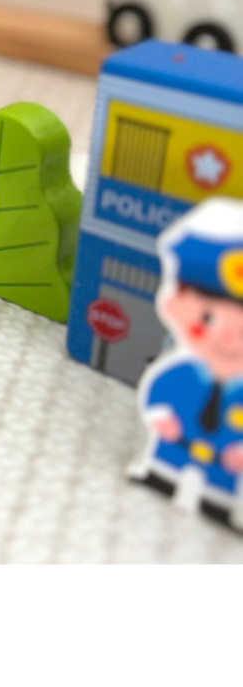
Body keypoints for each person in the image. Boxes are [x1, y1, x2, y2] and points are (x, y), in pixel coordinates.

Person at [132, 198, 243, 531]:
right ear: (176, 306)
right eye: (207, 318)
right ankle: (160, 478)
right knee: (165, 468)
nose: (227, 337)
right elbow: (160, 390)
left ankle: (217, 505)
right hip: (174, 442)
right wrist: (159, 416)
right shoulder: (182, 372)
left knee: (218, 490)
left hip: (224, 461)